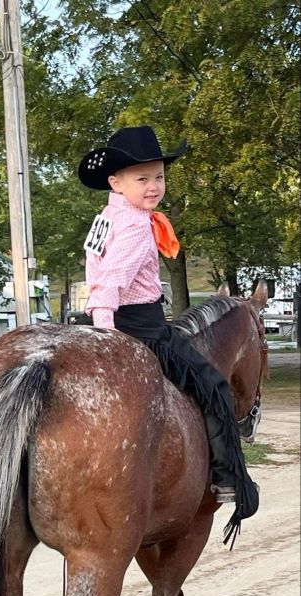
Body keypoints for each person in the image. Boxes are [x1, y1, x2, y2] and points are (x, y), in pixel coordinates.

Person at [78, 125, 259, 546]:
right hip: (142, 329)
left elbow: (95, 270)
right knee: (213, 385)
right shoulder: (138, 228)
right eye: (142, 179)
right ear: (115, 182)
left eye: (158, 176)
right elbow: (109, 285)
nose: (153, 186)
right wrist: (108, 341)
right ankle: (226, 479)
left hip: (114, 321)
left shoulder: (107, 217)